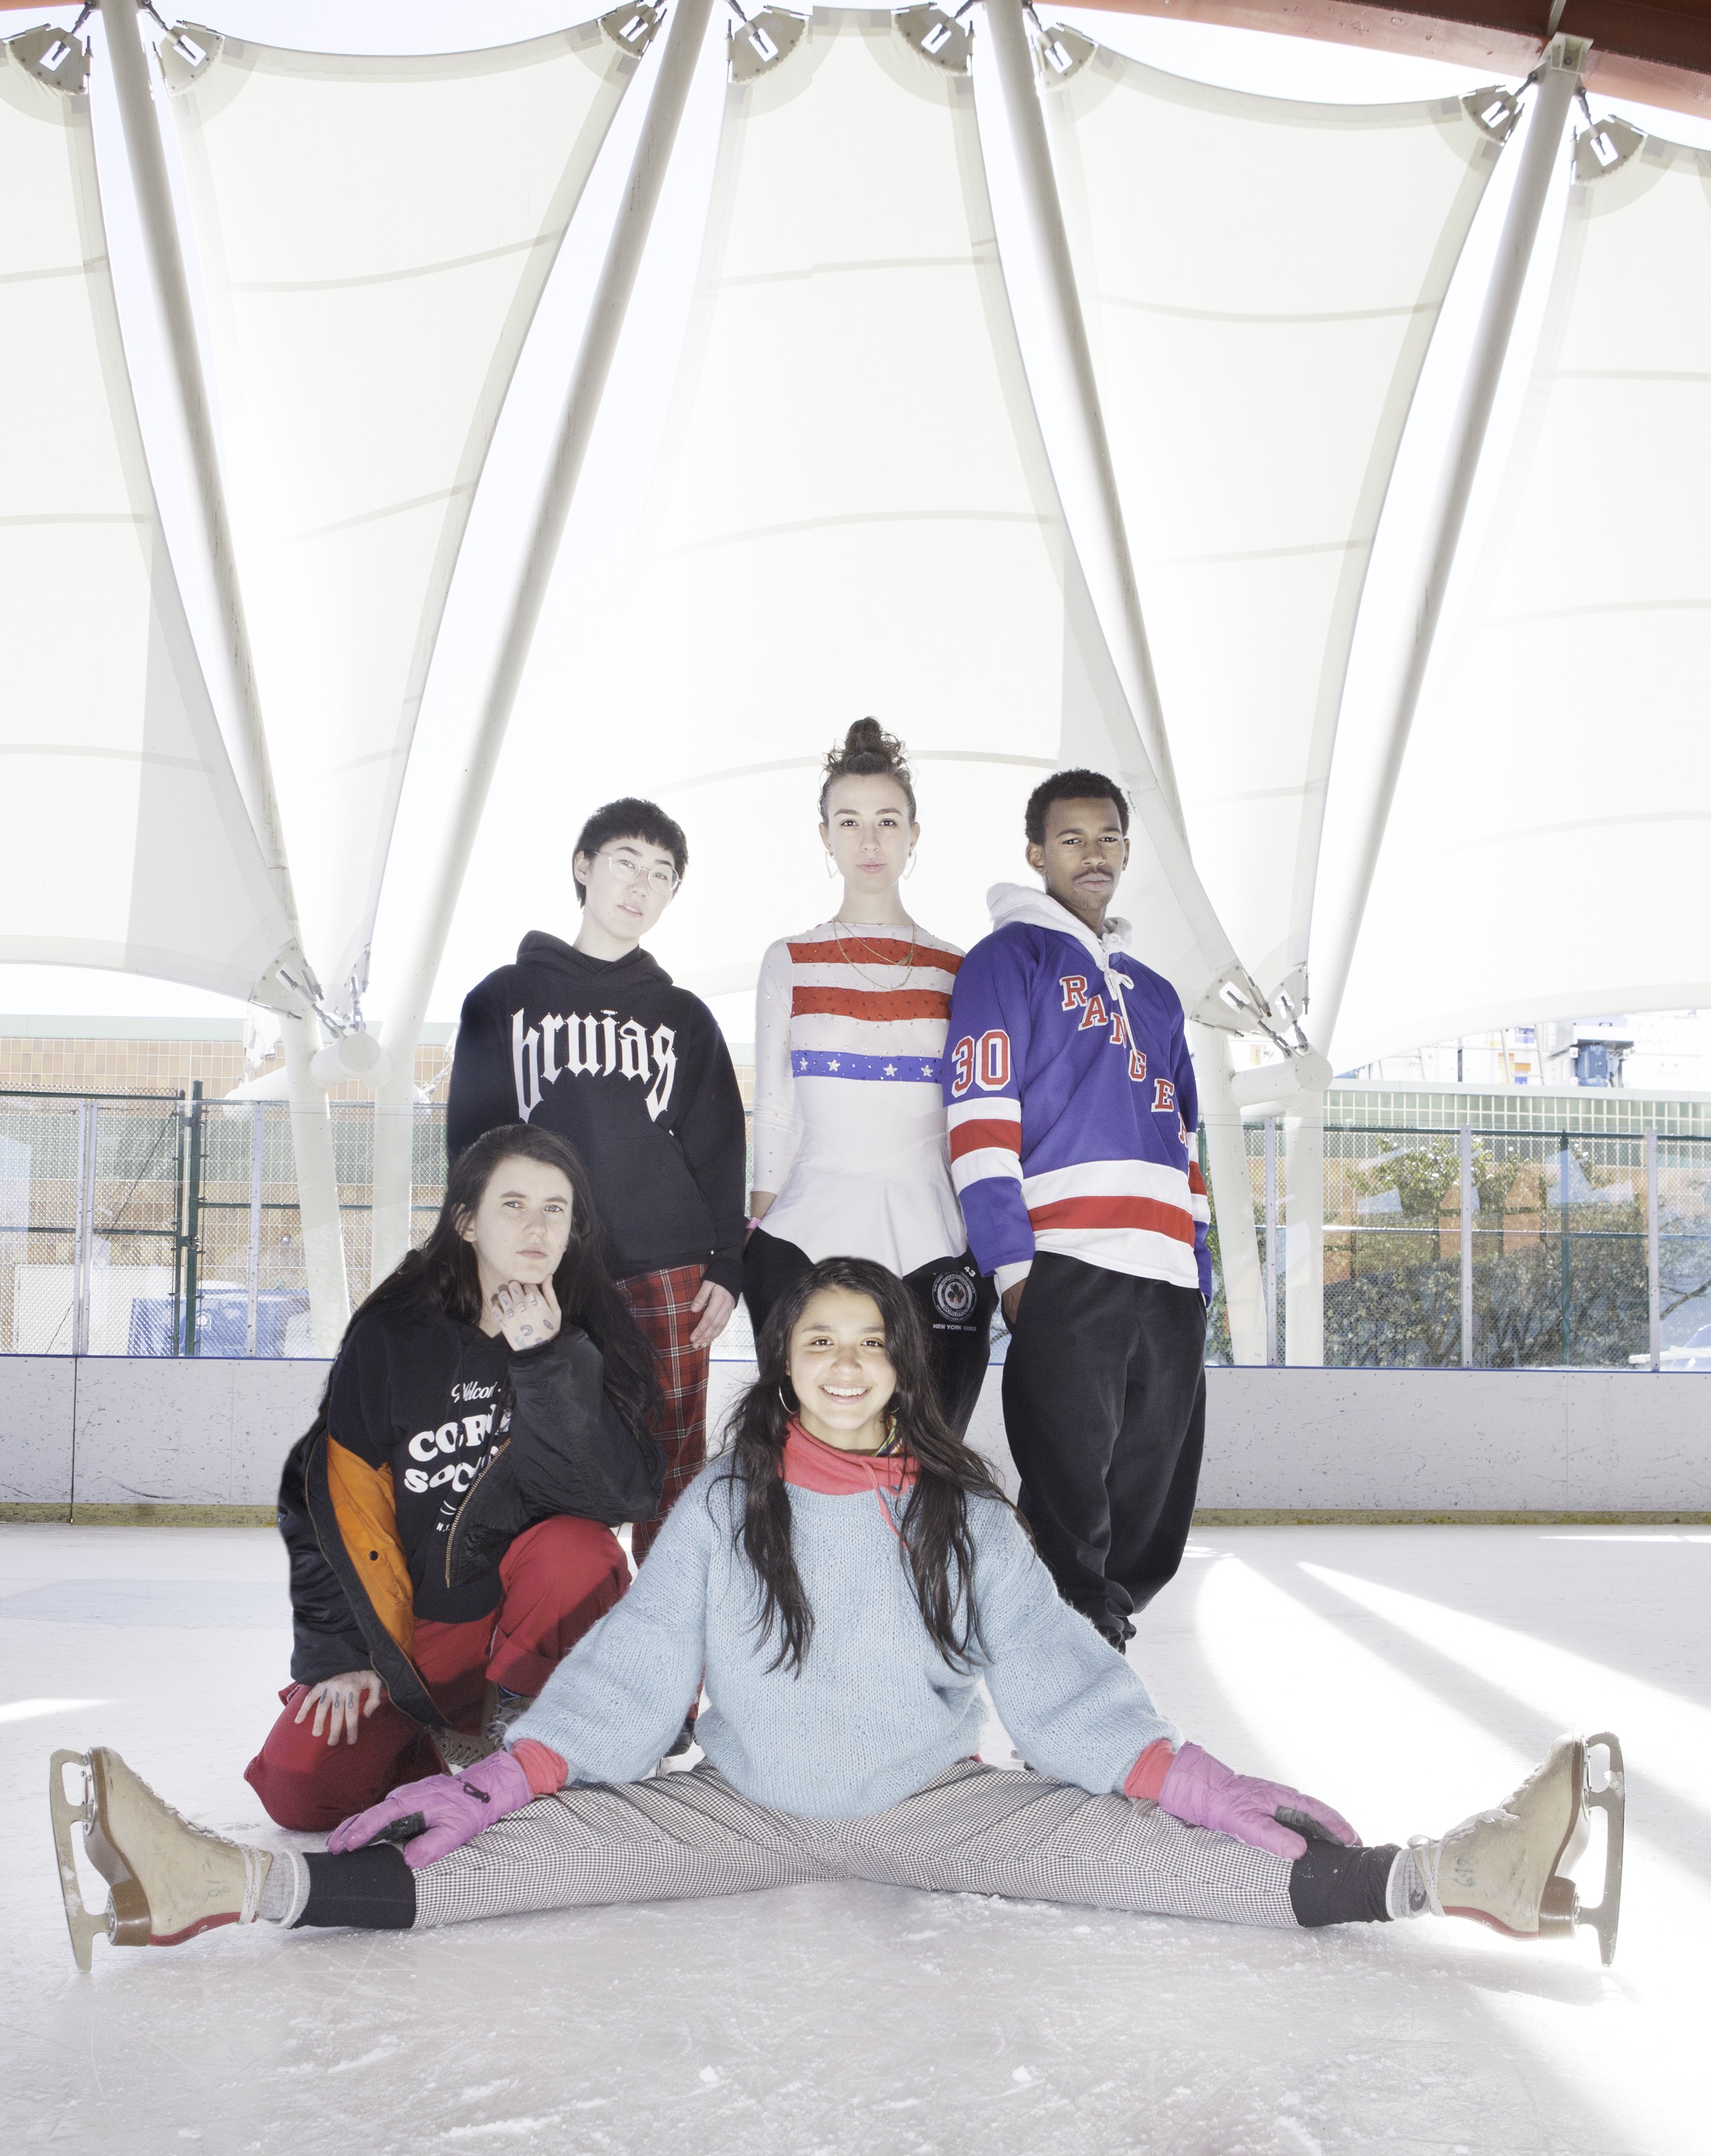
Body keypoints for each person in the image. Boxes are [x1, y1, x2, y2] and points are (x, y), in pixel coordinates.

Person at [53, 1258, 1622, 1970]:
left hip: (941, 1806)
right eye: (822, 1339)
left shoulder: (958, 1509)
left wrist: (1185, 1777)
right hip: (738, 1805)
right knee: (499, 1864)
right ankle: (232, 1886)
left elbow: (1066, 1684)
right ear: (787, 1361)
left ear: (902, 1366)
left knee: (1179, 1861)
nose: (851, 1360)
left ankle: (1445, 1871)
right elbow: (628, 1678)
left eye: (874, 1340)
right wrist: (496, 1776)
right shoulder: (728, 1509)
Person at [241, 1124, 663, 1832]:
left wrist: (545, 1362)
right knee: (301, 1794)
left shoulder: (589, 1334)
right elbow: (327, 1502)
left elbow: (618, 1498)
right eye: (514, 1205)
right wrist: (342, 1652)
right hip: (415, 1627)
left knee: (579, 1550)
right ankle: (424, 1751)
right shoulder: (394, 1335)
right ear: (466, 1221)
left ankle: (539, 1732)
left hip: (521, 1620)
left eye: (556, 1209)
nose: (537, 1226)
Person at [942, 769, 1210, 1650]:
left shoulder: (1158, 994)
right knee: (1067, 1494)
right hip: (1066, 1263)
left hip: (1164, 1274)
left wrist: (1197, 1272)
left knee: (1151, 1491)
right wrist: (1012, 1266)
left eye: (1106, 838)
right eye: (1070, 839)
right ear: (1035, 853)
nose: (1091, 854)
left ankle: (1103, 1633)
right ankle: (1066, 1664)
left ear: (1126, 851)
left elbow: (1187, 1139)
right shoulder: (1005, 961)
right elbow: (979, 1120)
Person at [446, 797, 746, 1564]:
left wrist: (727, 1267)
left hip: (666, 1270)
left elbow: (719, 1145)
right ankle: (547, 1655)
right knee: (537, 1452)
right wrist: (474, 1264)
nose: (641, 886)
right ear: (583, 868)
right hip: (541, 1269)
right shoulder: (501, 1000)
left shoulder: (682, 1016)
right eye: (625, 863)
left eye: (662, 875)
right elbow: (469, 1151)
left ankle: (668, 1671)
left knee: (671, 1476)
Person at [747, 719, 995, 1433]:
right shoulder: (788, 959)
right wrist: (759, 1232)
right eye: (848, 822)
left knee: (931, 1452)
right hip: (805, 1237)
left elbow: (969, 1113)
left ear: (914, 834)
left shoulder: (960, 967)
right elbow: (773, 1109)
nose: (868, 841)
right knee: (804, 1453)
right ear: (823, 835)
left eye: (887, 821)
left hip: (932, 1241)